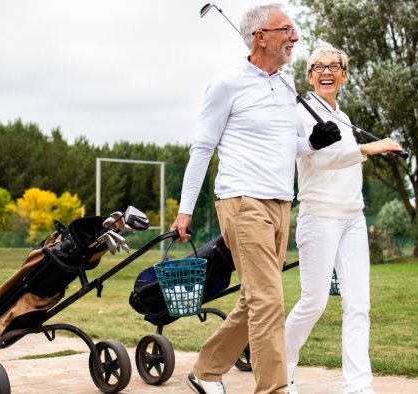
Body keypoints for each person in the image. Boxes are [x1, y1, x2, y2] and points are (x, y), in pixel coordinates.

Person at [170, 4, 342, 394]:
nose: (295, 37)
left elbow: (284, 146)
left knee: (255, 299)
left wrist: (312, 143)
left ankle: (206, 370)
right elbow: (202, 148)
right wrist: (184, 210)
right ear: (260, 37)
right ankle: (274, 389)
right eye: (286, 30)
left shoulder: (283, 85)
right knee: (268, 300)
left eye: (294, 30)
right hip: (242, 201)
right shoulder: (227, 84)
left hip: (281, 203)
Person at [283, 44, 402, 394]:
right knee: (313, 303)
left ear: (344, 76)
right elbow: (321, 160)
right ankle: (280, 372)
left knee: (358, 305)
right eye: (318, 66)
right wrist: (370, 148)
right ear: (308, 76)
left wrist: (365, 148)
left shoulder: (345, 117)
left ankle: (358, 386)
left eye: (335, 66)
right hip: (319, 216)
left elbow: (345, 159)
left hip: (353, 217)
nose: (326, 71)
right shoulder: (302, 113)